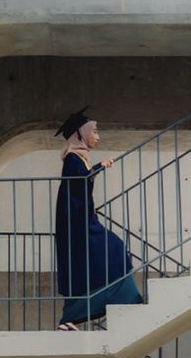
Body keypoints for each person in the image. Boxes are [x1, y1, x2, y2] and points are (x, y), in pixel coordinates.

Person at [53, 107, 143, 330]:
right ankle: (122, 301)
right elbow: (80, 182)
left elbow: (81, 184)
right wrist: (99, 166)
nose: (97, 136)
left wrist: (95, 168)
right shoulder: (74, 158)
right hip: (77, 220)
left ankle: (74, 317)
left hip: (81, 217)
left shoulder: (78, 157)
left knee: (93, 262)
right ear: (81, 134)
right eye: (94, 131)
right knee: (114, 248)